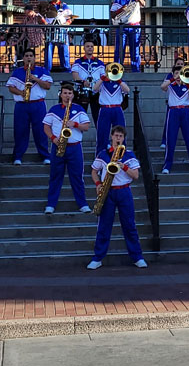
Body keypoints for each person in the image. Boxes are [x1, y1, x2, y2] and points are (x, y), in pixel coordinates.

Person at [88, 125, 147, 270]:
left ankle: (137, 257)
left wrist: (124, 167)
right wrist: (98, 184)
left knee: (129, 225)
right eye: (116, 136)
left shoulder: (129, 155)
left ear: (124, 138)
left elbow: (136, 176)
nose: (118, 138)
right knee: (104, 226)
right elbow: (94, 171)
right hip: (108, 191)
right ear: (112, 137)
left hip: (124, 192)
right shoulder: (103, 154)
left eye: (121, 136)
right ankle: (98, 258)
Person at [42, 81, 92, 214]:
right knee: (55, 176)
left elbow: (86, 127)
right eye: (65, 93)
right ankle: (51, 204)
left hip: (74, 148)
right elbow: (46, 127)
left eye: (70, 93)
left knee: (77, 177)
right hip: (57, 146)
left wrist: (74, 124)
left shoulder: (79, 109)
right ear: (61, 94)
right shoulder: (54, 110)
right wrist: (53, 139)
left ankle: (82, 204)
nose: (67, 95)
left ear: (73, 95)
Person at [7, 48, 53, 166]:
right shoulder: (17, 72)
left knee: (41, 131)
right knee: (20, 131)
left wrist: (35, 79)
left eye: (31, 55)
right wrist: (20, 93)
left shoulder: (42, 70)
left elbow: (48, 86)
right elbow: (10, 87)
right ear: (24, 58)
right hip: (22, 105)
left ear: (34, 57)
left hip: (38, 104)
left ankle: (45, 156)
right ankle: (18, 156)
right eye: (26, 55)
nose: (28, 58)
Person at [161, 61, 189, 174]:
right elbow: (163, 87)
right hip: (173, 112)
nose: (178, 75)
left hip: (185, 111)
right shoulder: (170, 84)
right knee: (170, 139)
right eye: (176, 73)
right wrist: (173, 79)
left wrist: (186, 82)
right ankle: (167, 165)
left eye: (180, 73)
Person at [92, 63, 130, 154]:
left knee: (120, 131)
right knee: (102, 133)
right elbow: (94, 89)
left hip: (117, 109)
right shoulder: (102, 82)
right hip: (105, 109)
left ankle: (121, 155)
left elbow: (127, 90)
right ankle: (100, 156)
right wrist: (102, 78)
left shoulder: (120, 82)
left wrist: (119, 80)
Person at [110, 0, 146, 72]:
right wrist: (121, 9)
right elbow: (112, 14)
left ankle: (136, 71)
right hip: (122, 27)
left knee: (135, 50)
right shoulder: (118, 0)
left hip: (134, 27)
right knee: (119, 50)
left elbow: (144, 4)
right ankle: (117, 70)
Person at [72, 39, 105, 125]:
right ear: (84, 48)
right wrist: (83, 82)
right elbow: (75, 75)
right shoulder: (77, 62)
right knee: (80, 119)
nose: (90, 48)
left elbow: (103, 77)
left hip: (96, 93)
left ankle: (100, 138)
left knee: (98, 119)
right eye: (87, 46)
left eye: (91, 46)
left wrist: (97, 85)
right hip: (82, 92)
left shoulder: (100, 63)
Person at [46, 0, 76, 72]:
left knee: (64, 52)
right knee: (48, 52)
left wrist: (67, 23)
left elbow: (71, 17)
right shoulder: (47, 6)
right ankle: (47, 72)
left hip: (62, 31)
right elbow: (42, 18)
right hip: (50, 31)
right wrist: (44, 23)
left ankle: (66, 72)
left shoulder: (64, 6)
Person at [160, 55, 186, 148]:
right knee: (168, 124)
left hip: (184, 106)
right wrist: (173, 79)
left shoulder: (188, 75)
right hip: (173, 105)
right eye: (178, 64)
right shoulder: (170, 76)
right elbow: (164, 87)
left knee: (188, 127)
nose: (180, 65)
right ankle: (164, 141)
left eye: (182, 64)